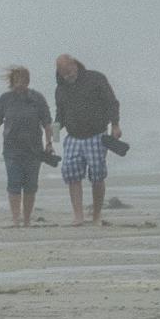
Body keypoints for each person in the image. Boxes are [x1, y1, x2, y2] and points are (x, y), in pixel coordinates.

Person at [54, 54, 122, 225]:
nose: (68, 76)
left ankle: (96, 215)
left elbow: (111, 102)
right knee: (71, 175)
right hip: (73, 137)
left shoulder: (96, 79)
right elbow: (60, 115)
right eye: (64, 74)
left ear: (75, 64)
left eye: (69, 71)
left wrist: (115, 125)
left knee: (97, 176)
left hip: (97, 135)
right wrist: (51, 137)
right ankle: (78, 216)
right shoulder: (60, 89)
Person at [0, 66, 54, 227]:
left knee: (31, 185)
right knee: (14, 183)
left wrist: (49, 143)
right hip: (12, 150)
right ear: (12, 81)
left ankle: (26, 220)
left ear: (28, 81)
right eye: (17, 80)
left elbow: (47, 122)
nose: (20, 83)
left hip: (34, 149)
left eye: (24, 80)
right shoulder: (5, 99)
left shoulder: (37, 98)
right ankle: (15, 219)